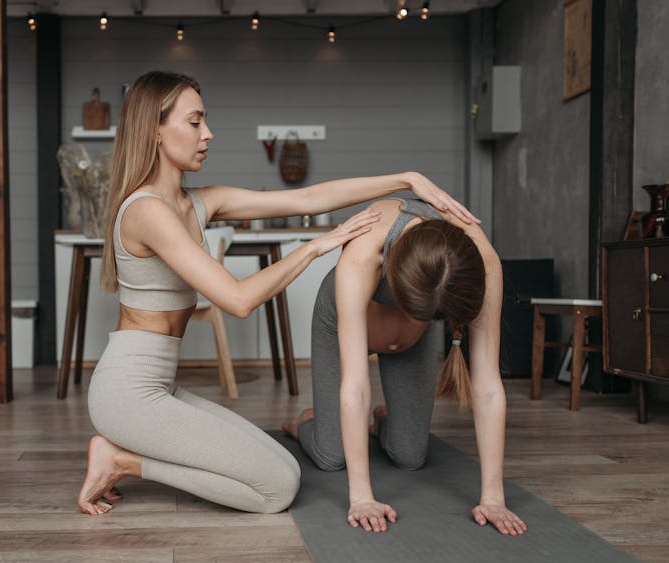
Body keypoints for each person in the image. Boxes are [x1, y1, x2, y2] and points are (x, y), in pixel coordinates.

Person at [78, 70, 475, 516]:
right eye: (195, 122)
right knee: (277, 490)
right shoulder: (147, 211)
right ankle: (122, 460)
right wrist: (314, 248)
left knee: (285, 466)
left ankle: (122, 455)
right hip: (126, 395)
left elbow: (308, 199)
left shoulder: (196, 202)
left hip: (160, 387)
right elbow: (239, 300)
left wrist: (404, 179)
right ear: (154, 128)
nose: (208, 133)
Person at [281, 195, 528, 536]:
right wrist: (362, 498)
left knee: (410, 456)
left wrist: (494, 497)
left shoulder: (481, 264)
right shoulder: (365, 252)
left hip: (412, 334)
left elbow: (486, 386)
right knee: (331, 456)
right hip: (343, 319)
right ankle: (307, 422)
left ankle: (383, 419)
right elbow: (355, 383)